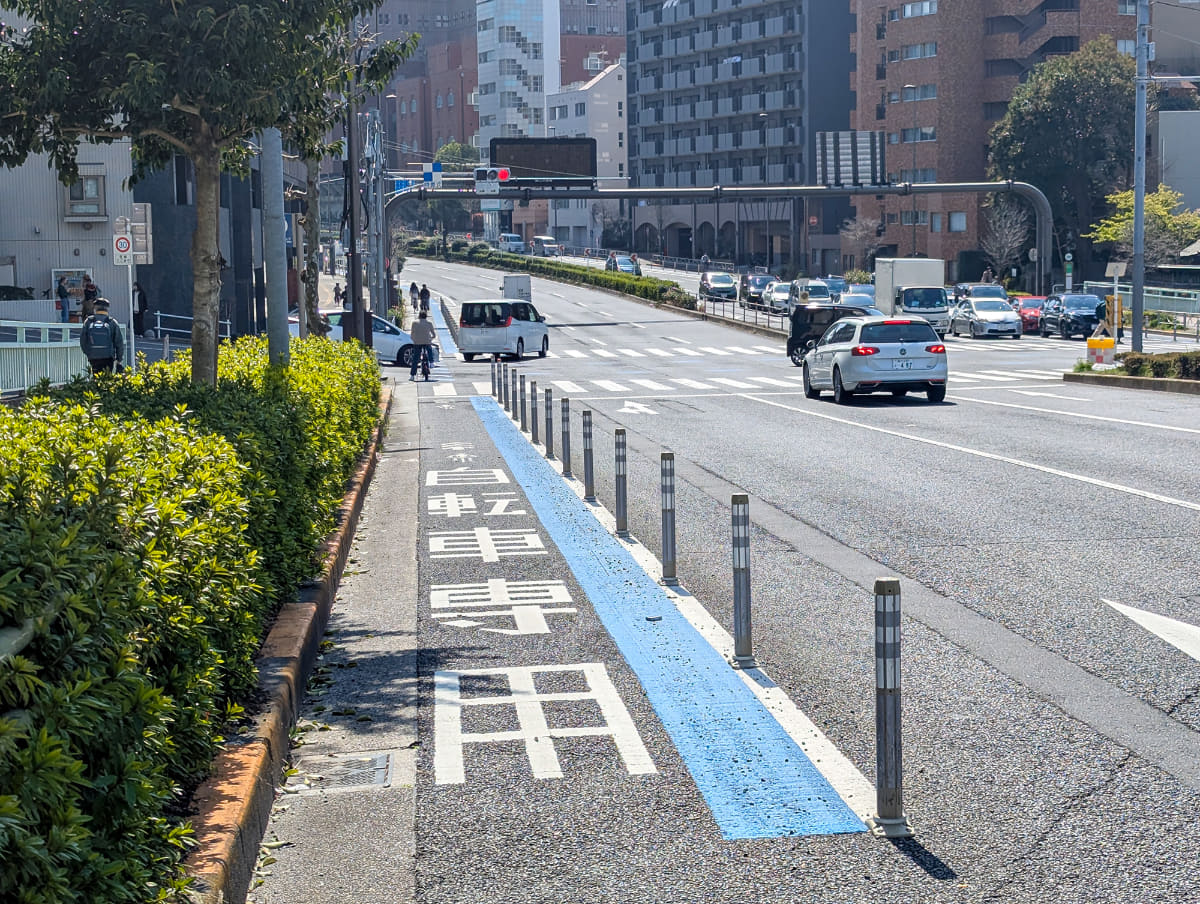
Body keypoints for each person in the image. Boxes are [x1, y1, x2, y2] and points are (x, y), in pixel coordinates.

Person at [79, 297, 124, 375]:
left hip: (94, 356)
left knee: (96, 378)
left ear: (95, 308)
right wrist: (119, 359)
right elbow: (119, 342)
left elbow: (83, 341)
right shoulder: (112, 322)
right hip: (108, 357)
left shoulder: (89, 321)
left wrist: (89, 353)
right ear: (107, 309)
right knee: (107, 379)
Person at [408, 309, 437, 381]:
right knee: (429, 349)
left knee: (415, 358)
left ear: (419, 316)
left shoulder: (414, 323)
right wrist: (431, 339)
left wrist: (414, 340)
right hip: (427, 341)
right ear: (426, 316)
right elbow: (434, 334)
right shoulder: (429, 323)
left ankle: (412, 375)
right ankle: (431, 362)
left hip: (417, 342)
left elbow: (412, 334)